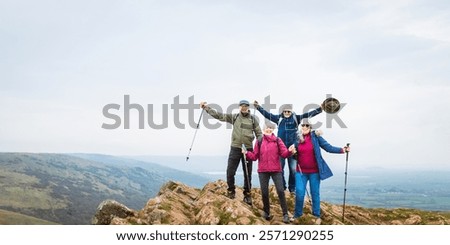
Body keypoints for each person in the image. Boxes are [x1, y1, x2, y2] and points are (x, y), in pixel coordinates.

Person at [200, 100, 262, 205]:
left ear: (248, 107)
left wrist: (261, 145)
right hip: (235, 148)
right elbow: (219, 116)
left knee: (247, 173)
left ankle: (247, 195)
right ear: (239, 107)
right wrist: (206, 108)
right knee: (230, 171)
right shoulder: (235, 117)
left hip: (248, 150)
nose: (244, 107)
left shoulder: (253, 119)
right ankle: (231, 191)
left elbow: (259, 134)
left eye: (246, 106)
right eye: (242, 106)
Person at [254, 100, 323, 194]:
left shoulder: (296, 118)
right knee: (280, 169)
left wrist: (319, 109)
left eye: (288, 111)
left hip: (293, 149)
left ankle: (292, 189)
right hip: (280, 148)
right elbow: (267, 114)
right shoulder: (278, 118)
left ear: (291, 112)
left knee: (294, 170)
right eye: (285, 111)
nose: (287, 113)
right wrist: (258, 107)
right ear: (282, 112)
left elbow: (308, 114)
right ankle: (282, 187)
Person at [293, 119, 350, 224]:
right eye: (303, 125)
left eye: (307, 126)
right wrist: (293, 153)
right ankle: (297, 215)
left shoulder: (316, 137)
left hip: (314, 171)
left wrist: (342, 150)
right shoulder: (297, 138)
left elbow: (328, 147)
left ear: (310, 128)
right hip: (301, 171)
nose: (304, 127)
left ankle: (316, 215)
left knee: (315, 193)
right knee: (300, 193)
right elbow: (293, 152)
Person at [243, 122, 297, 223]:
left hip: (276, 170)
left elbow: (284, 154)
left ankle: (285, 214)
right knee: (264, 192)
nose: (269, 129)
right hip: (263, 171)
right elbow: (255, 156)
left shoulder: (277, 140)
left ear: (273, 129)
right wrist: (246, 153)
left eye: (271, 128)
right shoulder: (259, 141)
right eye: (267, 128)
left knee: (281, 191)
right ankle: (267, 212)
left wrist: (290, 151)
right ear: (264, 129)